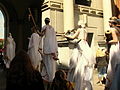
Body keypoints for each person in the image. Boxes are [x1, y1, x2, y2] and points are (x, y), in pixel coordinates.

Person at [64, 20, 95, 90]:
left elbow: (73, 37)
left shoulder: (79, 30)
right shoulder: (85, 30)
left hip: (80, 44)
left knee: (77, 60)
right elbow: (85, 39)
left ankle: (78, 81)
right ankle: (85, 83)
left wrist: (66, 36)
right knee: (84, 62)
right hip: (85, 44)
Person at [41, 17, 58, 82]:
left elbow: (41, 34)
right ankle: (51, 75)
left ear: (45, 21)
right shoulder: (52, 28)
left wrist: (36, 31)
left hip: (47, 43)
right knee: (51, 62)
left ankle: (48, 76)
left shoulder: (45, 27)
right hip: (52, 44)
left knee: (47, 61)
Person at [105, 17, 120, 90]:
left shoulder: (113, 29)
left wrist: (108, 41)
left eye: (109, 22)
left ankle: (112, 82)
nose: (109, 24)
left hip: (114, 47)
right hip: (118, 47)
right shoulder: (118, 29)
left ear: (111, 23)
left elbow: (115, 40)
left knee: (113, 64)